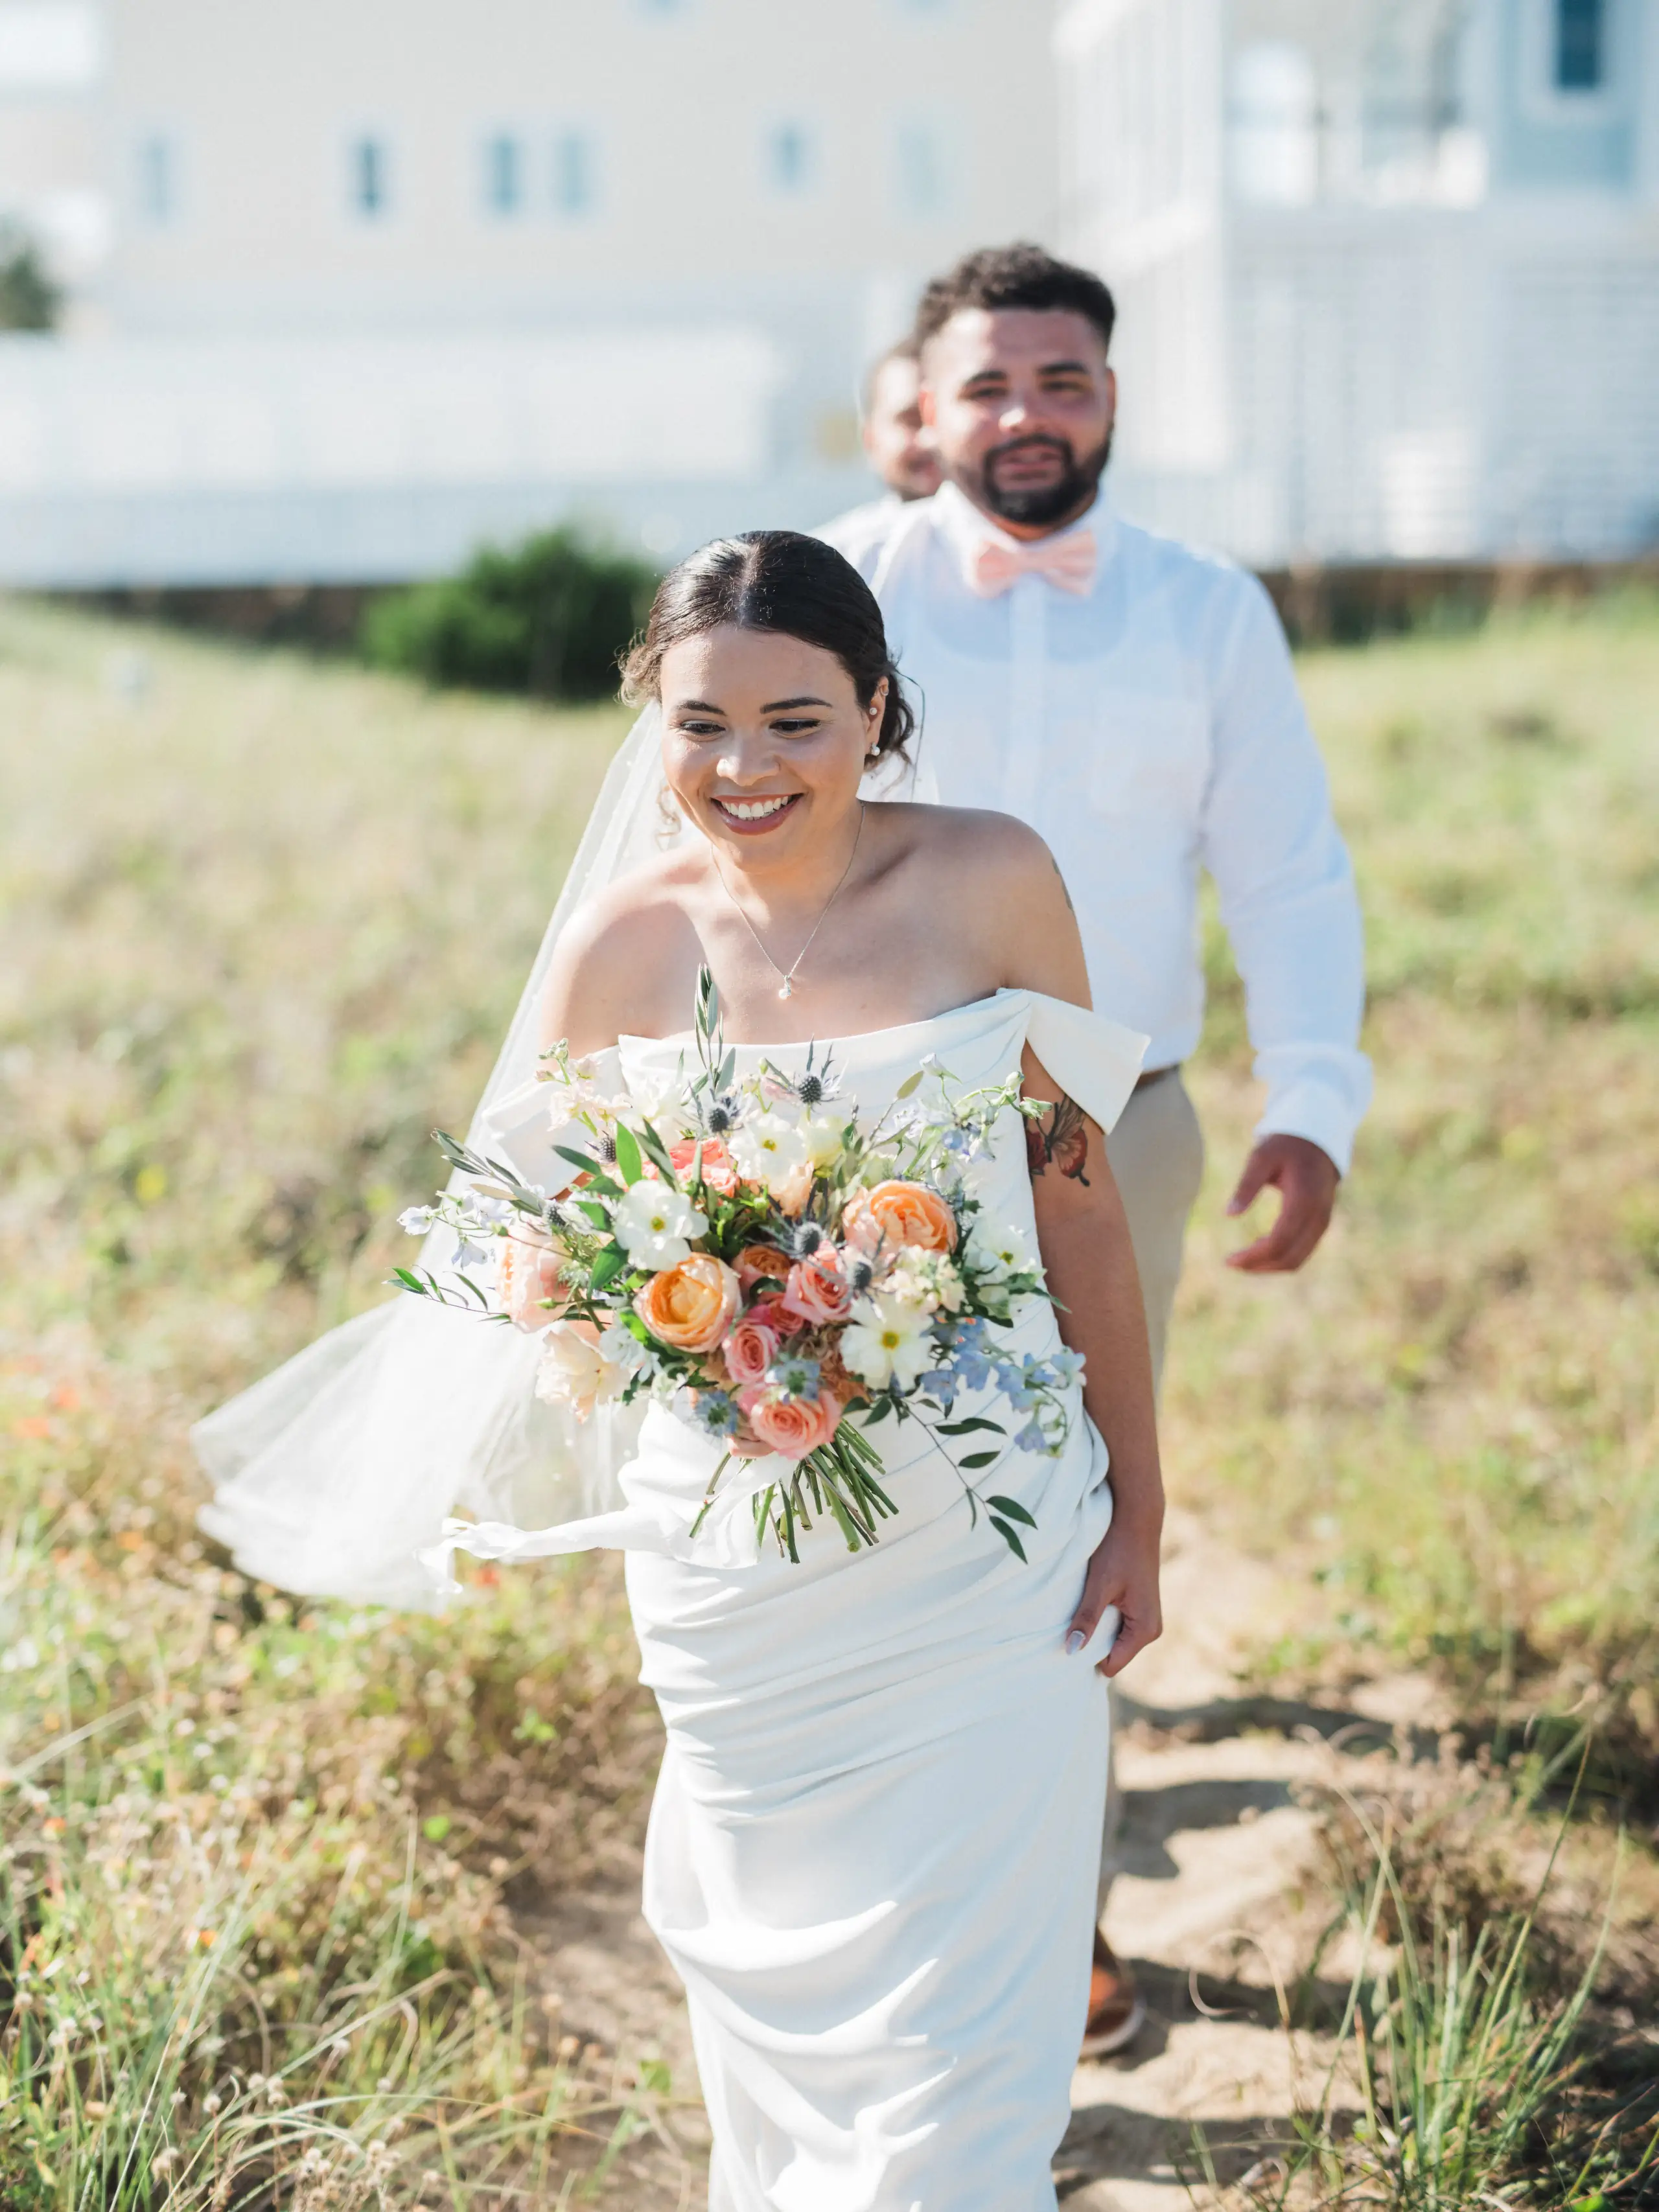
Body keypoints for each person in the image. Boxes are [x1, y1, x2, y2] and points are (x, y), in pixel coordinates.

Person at [197, 529, 1165, 2211]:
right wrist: (629, 1305)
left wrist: (1139, 1505)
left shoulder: (996, 877)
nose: (745, 765)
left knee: (959, 2070)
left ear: (877, 706)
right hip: (738, 1579)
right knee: (781, 2037)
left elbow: (1076, 1197)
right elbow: (532, 1252)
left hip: (988, 1550)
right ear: (651, 720)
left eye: (796, 717)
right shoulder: (621, 947)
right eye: (701, 721)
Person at [819, 242, 1371, 2058]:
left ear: (1112, 395)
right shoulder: (846, 586)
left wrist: (1312, 1097)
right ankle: (896, 1897)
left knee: (1067, 1512)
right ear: (933, 402)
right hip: (878, 1137)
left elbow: (1287, 868)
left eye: (1061, 381)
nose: (1027, 416)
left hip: (1115, 1123)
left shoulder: (1209, 609)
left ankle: (1063, 1920)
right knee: (886, 1520)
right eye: (990, 384)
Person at [816, 334, 942, 568]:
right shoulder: (826, 566)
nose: (931, 440)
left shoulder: (1029, 555)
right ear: (871, 439)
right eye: (912, 419)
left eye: (944, 417)